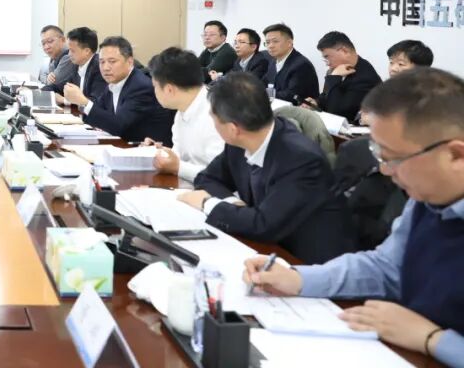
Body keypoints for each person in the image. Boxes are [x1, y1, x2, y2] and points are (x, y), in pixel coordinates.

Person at [244, 69, 464, 366]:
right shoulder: (427, 197)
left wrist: (433, 339)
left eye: (394, 158)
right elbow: (387, 266)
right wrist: (298, 279)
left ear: (456, 156)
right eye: (379, 154)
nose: (384, 170)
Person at [178, 71, 354, 263]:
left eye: (214, 119)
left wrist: (208, 203)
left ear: (233, 128)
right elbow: (207, 178)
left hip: (309, 262)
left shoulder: (300, 159)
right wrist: (234, 204)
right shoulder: (240, 141)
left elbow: (264, 225)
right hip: (266, 247)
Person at [65, 35, 174, 144]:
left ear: (130, 62)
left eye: (112, 61)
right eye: (102, 62)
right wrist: (84, 104)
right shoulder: (114, 82)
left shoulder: (140, 86)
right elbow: (98, 110)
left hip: (148, 149)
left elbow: (118, 126)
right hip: (124, 145)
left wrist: (84, 102)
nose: (105, 68)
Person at [145, 47, 225, 181]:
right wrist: (161, 153)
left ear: (169, 89)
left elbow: (221, 175)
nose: (154, 92)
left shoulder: (217, 115)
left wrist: (178, 167)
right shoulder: (183, 108)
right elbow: (180, 155)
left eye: (155, 86)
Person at [308, 31, 382, 119]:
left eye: (327, 57)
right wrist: (315, 103)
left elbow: (336, 113)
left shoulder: (366, 78)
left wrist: (334, 78)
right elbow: (326, 97)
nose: (327, 63)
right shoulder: (335, 70)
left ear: (344, 51)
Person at [261, 23, 319, 105]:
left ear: (289, 43)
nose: (270, 46)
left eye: (275, 41)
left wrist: (263, 94)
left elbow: (291, 96)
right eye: (267, 42)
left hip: (298, 110)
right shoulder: (273, 61)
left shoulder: (301, 65)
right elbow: (263, 83)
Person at [56, 27, 105, 104]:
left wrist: (64, 100)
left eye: (72, 51)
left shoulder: (99, 67)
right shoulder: (77, 65)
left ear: (87, 51)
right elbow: (59, 86)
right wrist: (45, 92)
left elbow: (94, 102)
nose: (69, 54)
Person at [38, 25, 77, 93]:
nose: (46, 47)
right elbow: (41, 77)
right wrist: (47, 77)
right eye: (43, 44)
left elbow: (53, 83)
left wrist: (47, 77)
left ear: (63, 40)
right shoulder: (54, 56)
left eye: (50, 41)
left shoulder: (69, 56)